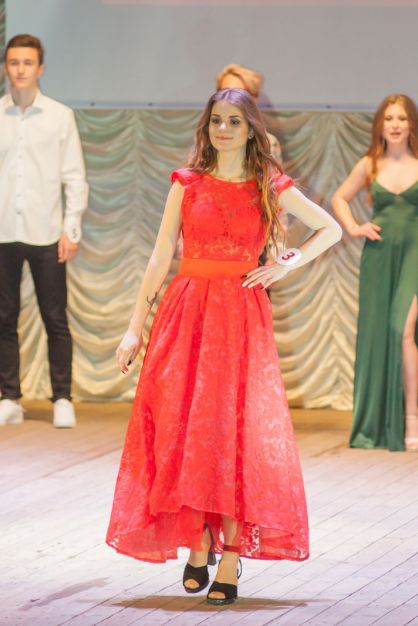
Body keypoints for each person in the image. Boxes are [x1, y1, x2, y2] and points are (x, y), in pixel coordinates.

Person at [107, 88, 341, 605]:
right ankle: (199, 539)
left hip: (239, 316)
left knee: (234, 433)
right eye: (217, 120)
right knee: (187, 428)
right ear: (206, 126)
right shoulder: (186, 183)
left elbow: (330, 228)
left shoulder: (268, 185)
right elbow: (160, 255)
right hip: (187, 310)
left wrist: (285, 263)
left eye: (235, 121)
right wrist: (133, 327)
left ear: (251, 128)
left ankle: (231, 554)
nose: (224, 129)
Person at [0, 34, 88, 428]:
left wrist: (72, 229)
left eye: (27, 63)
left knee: (55, 318)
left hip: (47, 231)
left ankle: (62, 397)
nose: (20, 69)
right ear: (6, 67)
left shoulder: (59, 116)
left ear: (40, 69)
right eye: (13, 62)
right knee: (4, 318)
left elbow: (75, 176)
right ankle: (10, 397)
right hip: (4, 230)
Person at [332, 94, 418, 452]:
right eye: (389, 118)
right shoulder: (369, 164)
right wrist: (354, 227)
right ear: (380, 125)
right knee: (378, 334)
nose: (395, 124)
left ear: (411, 124)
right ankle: (379, 423)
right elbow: (339, 198)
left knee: (403, 330)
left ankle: (411, 419)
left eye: (402, 118)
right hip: (379, 256)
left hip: (414, 254)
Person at [216, 63, 282, 163]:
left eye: (238, 93)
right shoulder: (205, 140)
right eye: (224, 92)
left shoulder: (268, 144)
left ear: (254, 98)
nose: (229, 98)